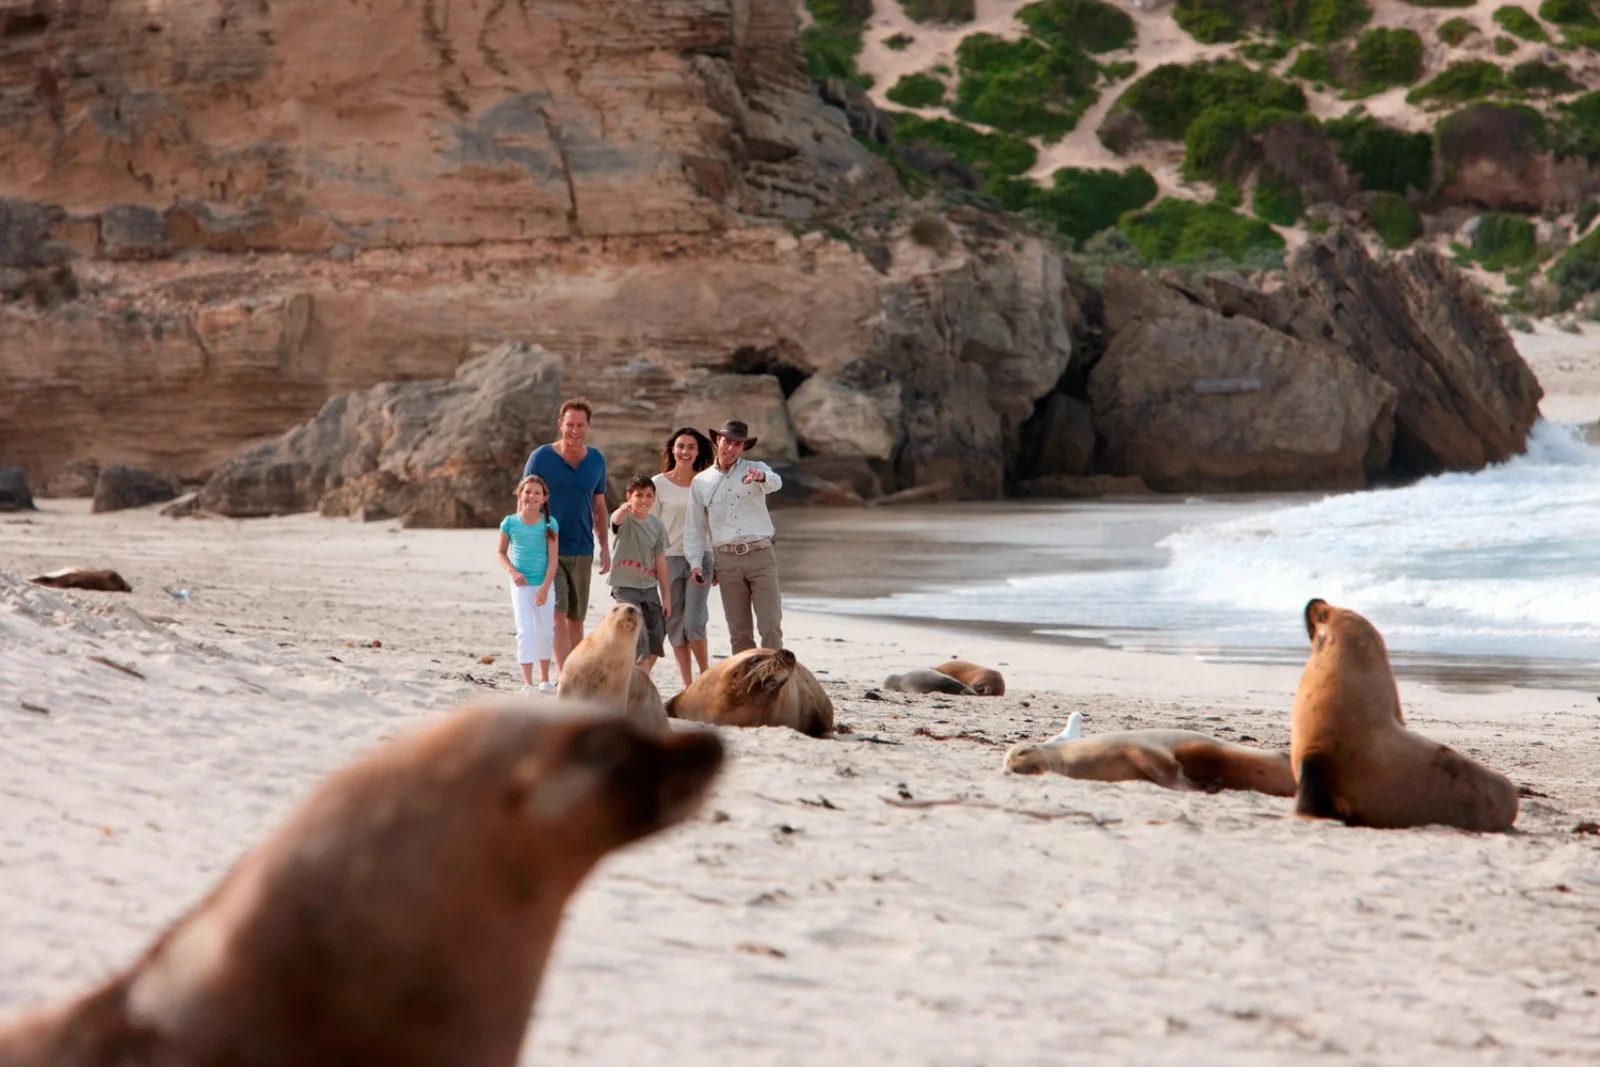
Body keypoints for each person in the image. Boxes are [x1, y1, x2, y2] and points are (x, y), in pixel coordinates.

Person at [523, 397, 611, 673]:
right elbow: (525, 500)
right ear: (560, 424)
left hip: (583, 549)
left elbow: (599, 506)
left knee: (576, 619)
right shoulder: (540, 458)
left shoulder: (596, 460)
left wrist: (605, 546)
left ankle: (576, 674)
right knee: (556, 615)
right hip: (547, 549)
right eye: (569, 424)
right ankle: (564, 676)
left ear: (588, 426)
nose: (575, 430)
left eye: (580, 425)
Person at [684, 419, 784, 654]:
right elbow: (695, 527)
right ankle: (747, 685)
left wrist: (761, 478)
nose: (730, 448)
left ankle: (774, 681)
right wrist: (695, 563)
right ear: (717, 440)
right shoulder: (701, 482)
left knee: (770, 625)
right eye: (727, 441)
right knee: (739, 632)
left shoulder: (757, 468)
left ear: (743, 447)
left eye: (737, 444)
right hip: (727, 560)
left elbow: (776, 482)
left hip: (761, 555)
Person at [651, 426, 715, 687]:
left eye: (691, 447)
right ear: (672, 450)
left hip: (701, 557)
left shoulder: (707, 483)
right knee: (675, 623)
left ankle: (706, 678)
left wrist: (718, 562)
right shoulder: (658, 483)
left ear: (698, 451)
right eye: (680, 446)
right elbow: (651, 526)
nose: (685, 452)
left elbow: (714, 525)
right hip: (668, 559)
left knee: (694, 621)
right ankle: (689, 686)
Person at [496, 475, 560, 692]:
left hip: (545, 585)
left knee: (545, 631)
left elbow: (553, 560)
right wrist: (513, 572)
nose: (532, 496)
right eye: (528, 492)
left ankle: (544, 679)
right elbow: (501, 553)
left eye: (537, 493)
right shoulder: (510, 522)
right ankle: (527, 683)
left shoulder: (550, 523)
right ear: (519, 494)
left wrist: (544, 589)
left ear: (544, 498)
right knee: (525, 631)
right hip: (521, 587)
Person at [607, 475, 672, 671]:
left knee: (658, 635)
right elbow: (615, 522)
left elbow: (660, 562)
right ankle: (640, 679)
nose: (644, 500)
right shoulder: (623, 518)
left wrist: (666, 597)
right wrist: (622, 509)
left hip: (649, 587)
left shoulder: (658, 525)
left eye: (649, 495)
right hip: (625, 587)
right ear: (629, 496)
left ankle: (638, 675)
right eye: (638, 495)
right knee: (639, 634)